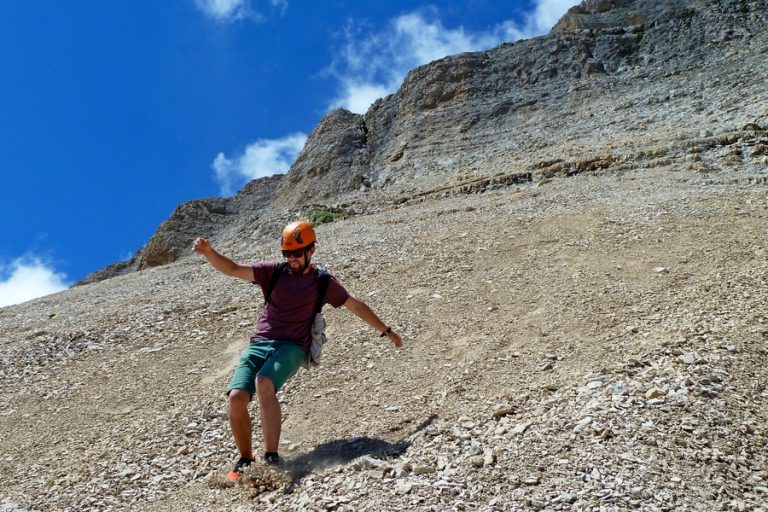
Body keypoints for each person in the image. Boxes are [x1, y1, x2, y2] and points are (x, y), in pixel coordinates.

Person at [193, 220, 403, 480]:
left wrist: (386, 331)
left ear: (311, 250)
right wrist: (209, 253)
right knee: (236, 398)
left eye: (296, 253)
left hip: (292, 347)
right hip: (260, 343)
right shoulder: (274, 272)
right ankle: (246, 459)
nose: (291, 258)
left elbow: (355, 305)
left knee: (264, 381)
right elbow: (234, 269)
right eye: (287, 253)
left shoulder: (323, 282)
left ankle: (271, 457)